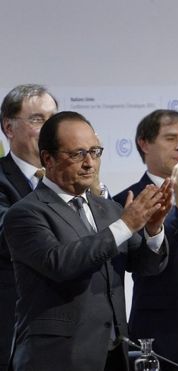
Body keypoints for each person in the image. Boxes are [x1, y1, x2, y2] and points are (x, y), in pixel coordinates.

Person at [4, 111, 171, 371]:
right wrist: (126, 225)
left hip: (114, 354)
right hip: (56, 358)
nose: (89, 163)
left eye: (95, 152)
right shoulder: (26, 213)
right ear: (48, 158)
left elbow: (145, 266)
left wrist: (153, 228)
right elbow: (60, 263)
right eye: (77, 154)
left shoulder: (109, 209)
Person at [114, 109, 178, 371]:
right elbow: (142, 261)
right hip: (162, 333)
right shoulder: (128, 200)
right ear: (144, 143)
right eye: (170, 138)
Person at [0, 84, 57, 370]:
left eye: (53, 119)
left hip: (69, 334)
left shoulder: (73, 181)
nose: (50, 130)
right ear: (9, 128)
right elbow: (10, 238)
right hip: (12, 329)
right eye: (38, 120)